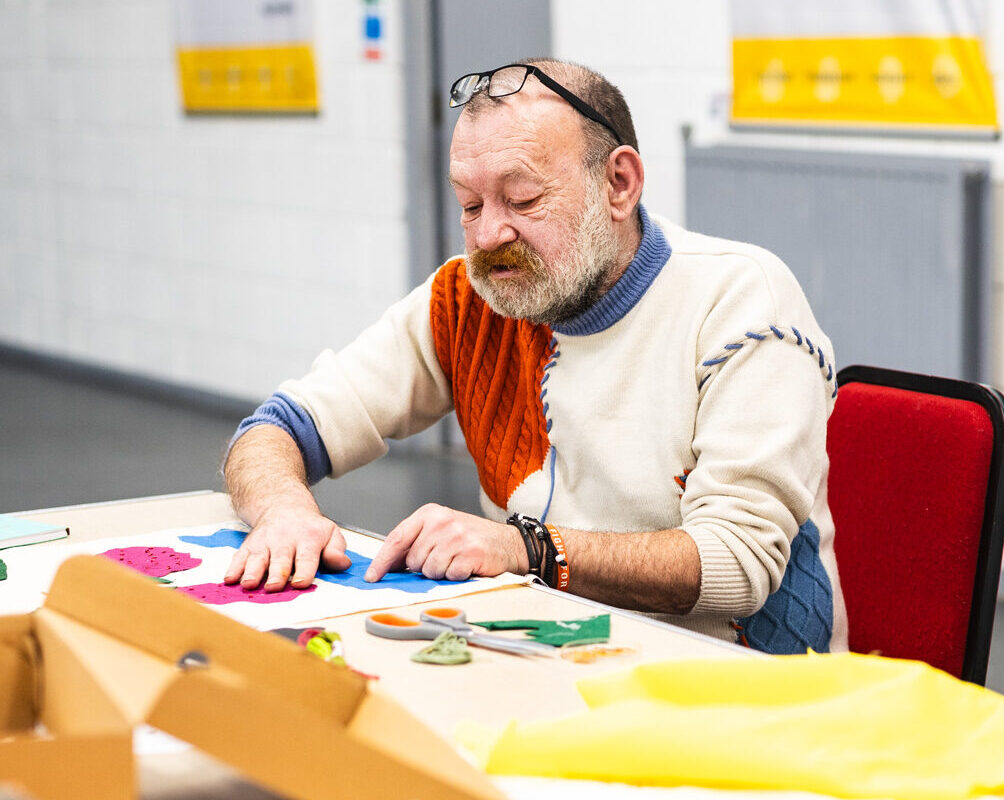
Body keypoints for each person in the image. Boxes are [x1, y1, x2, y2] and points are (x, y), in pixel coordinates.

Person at [223, 58, 848, 653]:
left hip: (737, 687)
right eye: (470, 204)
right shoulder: (472, 297)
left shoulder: (741, 298)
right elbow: (276, 429)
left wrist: (527, 548)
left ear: (619, 185)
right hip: (548, 652)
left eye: (522, 200)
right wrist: (284, 510)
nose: (489, 235)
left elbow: (736, 563)